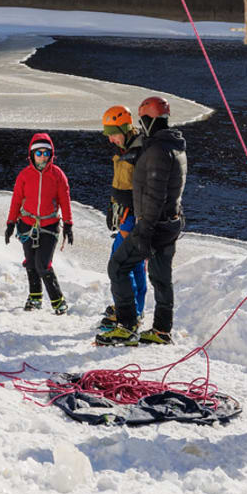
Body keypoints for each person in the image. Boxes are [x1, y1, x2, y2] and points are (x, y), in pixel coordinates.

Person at [96, 95, 184, 346]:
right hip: (168, 223)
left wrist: (142, 231)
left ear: (148, 120)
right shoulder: (173, 146)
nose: (141, 124)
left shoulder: (156, 150)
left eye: (143, 119)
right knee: (160, 276)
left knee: (118, 266)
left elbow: (154, 195)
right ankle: (161, 331)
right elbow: (169, 191)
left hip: (152, 226)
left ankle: (127, 325)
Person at [5, 132, 73, 313]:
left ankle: (58, 301)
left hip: (49, 226)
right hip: (27, 225)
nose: (42, 156)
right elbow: (17, 200)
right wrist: (10, 223)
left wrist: (68, 224)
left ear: (51, 154)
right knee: (30, 262)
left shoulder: (58, 175)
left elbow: (65, 200)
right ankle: (35, 298)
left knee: (43, 264)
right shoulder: (24, 175)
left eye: (45, 153)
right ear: (32, 154)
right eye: (38, 152)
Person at [98, 104, 147, 330]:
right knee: (131, 264)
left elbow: (144, 191)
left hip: (134, 218)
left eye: (113, 134)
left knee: (120, 263)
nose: (110, 140)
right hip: (125, 215)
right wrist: (112, 206)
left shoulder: (140, 153)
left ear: (126, 128)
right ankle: (133, 309)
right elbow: (120, 185)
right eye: (108, 135)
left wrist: (137, 221)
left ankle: (129, 312)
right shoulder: (124, 151)